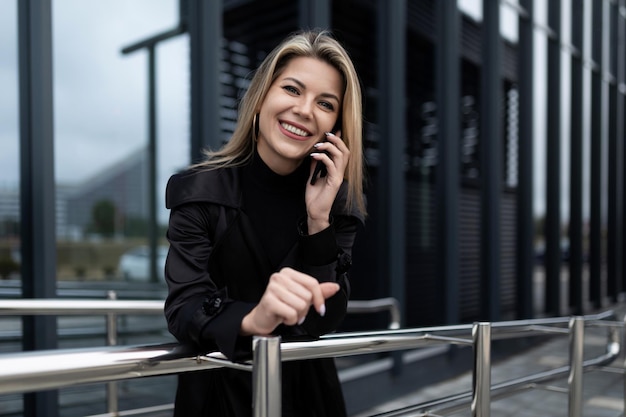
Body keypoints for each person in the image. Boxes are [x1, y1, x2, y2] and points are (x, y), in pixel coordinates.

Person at [163, 29, 366, 417]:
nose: (305, 110)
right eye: (292, 89)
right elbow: (183, 308)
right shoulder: (199, 191)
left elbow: (327, 319)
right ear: (261, 98)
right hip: (217, 394)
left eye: (325, 103)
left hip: (308, 397)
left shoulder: (337, 205)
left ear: (336, 127)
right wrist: (255, 319)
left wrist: (318, 219)